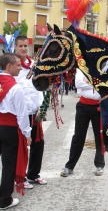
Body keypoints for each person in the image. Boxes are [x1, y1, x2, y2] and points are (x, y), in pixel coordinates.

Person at [0, 53, 32, 209]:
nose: (21, 68)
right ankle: (5, 200)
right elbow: (22, 114)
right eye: (18, 65)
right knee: (8, 165)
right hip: (9, 129)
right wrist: (27, 134)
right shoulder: (15, 87)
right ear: (8, 66)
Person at [14, 36, 46, 188]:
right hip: (20, 113)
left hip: (34, 111)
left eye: (25, 46)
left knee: (38, 144)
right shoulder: (12, 65)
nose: (23, 48)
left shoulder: (33, 64)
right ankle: (19, 177)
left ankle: (33, 174)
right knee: (21, 147)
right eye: (20, 46)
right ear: (15, 47)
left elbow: (38, 86)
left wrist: (41, 106)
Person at [60, 68, 105, 177]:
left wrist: (88, 82)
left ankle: (100, 165)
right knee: (78, 136)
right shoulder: (82, 68)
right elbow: (78, 83)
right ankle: (69, 166)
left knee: (99, 137)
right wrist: (96, 82)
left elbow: (105, 83)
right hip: (83, 105)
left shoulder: (103, 66)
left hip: (99, 106)